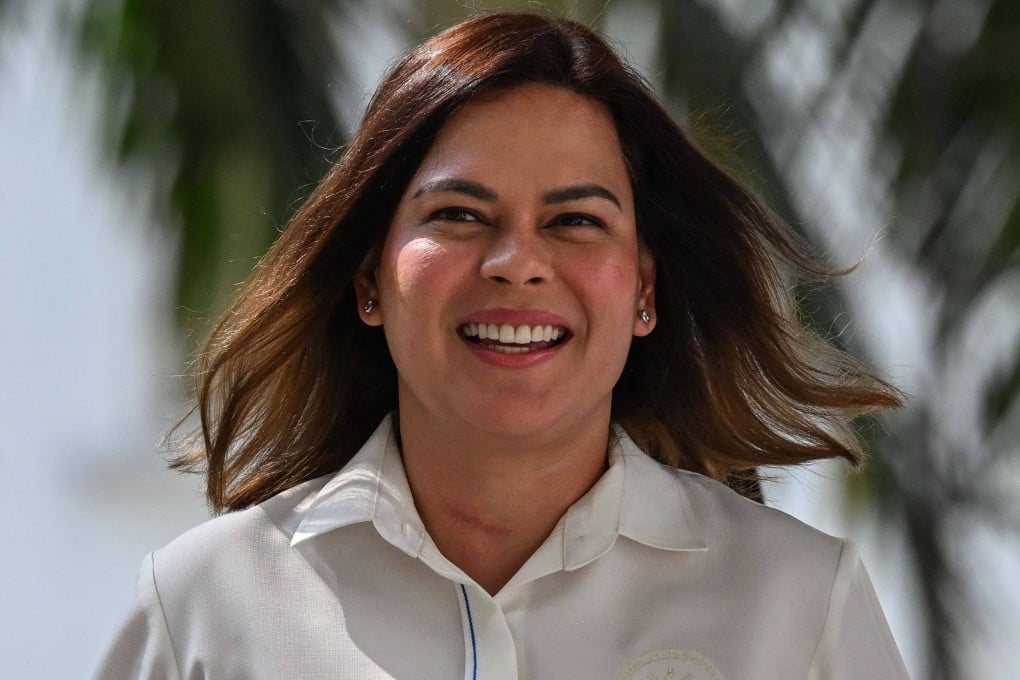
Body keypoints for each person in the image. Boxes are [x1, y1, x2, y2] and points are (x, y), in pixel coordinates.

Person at [95, 12, 911, 680]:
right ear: (370, 279)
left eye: (575, 221)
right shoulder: (205, 603)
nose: (518, 263)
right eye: (459, 214)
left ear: (645, 292)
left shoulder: (797, 602)